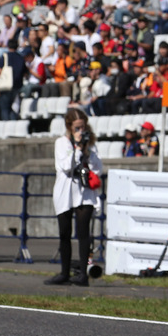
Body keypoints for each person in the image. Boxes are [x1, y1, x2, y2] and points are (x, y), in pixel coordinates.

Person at [47, 108, 103, 287]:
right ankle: (64, 272)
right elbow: (65, 166)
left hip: (84, 192)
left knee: (83, 232)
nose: (80, 132)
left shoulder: (91, 144)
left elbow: (97, 168)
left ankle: (83, 275)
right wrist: (77, 149)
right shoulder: (61, 143)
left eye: (83, 128)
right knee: (64, 233)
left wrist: (86, 151)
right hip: (65, 191)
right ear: (69, 127)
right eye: (77, 128)